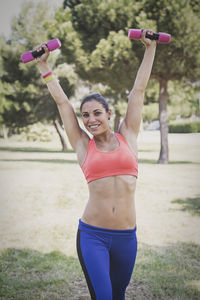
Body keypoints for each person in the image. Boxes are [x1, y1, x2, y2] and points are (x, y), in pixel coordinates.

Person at [35, 29, 157, 300]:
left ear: (109, 114)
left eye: (97, 113)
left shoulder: (128, 135)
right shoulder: (82, 145)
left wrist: (150, 49)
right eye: (85, 115)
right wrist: (44, 65)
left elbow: (138, 90)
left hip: (127, 238)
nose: (90, 120)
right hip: (93, 237)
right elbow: (62, 102)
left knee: (118, 296)